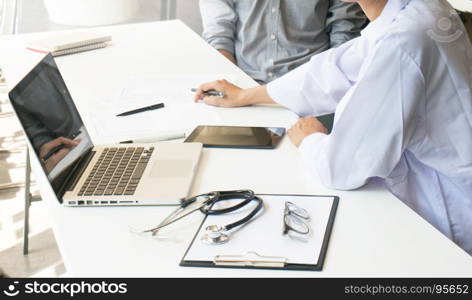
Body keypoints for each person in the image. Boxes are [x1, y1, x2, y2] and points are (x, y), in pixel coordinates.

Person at [194, 0, 472, 255]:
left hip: (446, 225)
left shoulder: (403, 40)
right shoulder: (415, 11)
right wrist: (247, 96)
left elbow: (343, 168)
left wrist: (310, 140)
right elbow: (334, 70)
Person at [199, 0, 367, 84]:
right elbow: (218, 32)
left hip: (310, 84)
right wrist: (236, 86)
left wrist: (326, 85)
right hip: (246, 82)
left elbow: (344, 30)